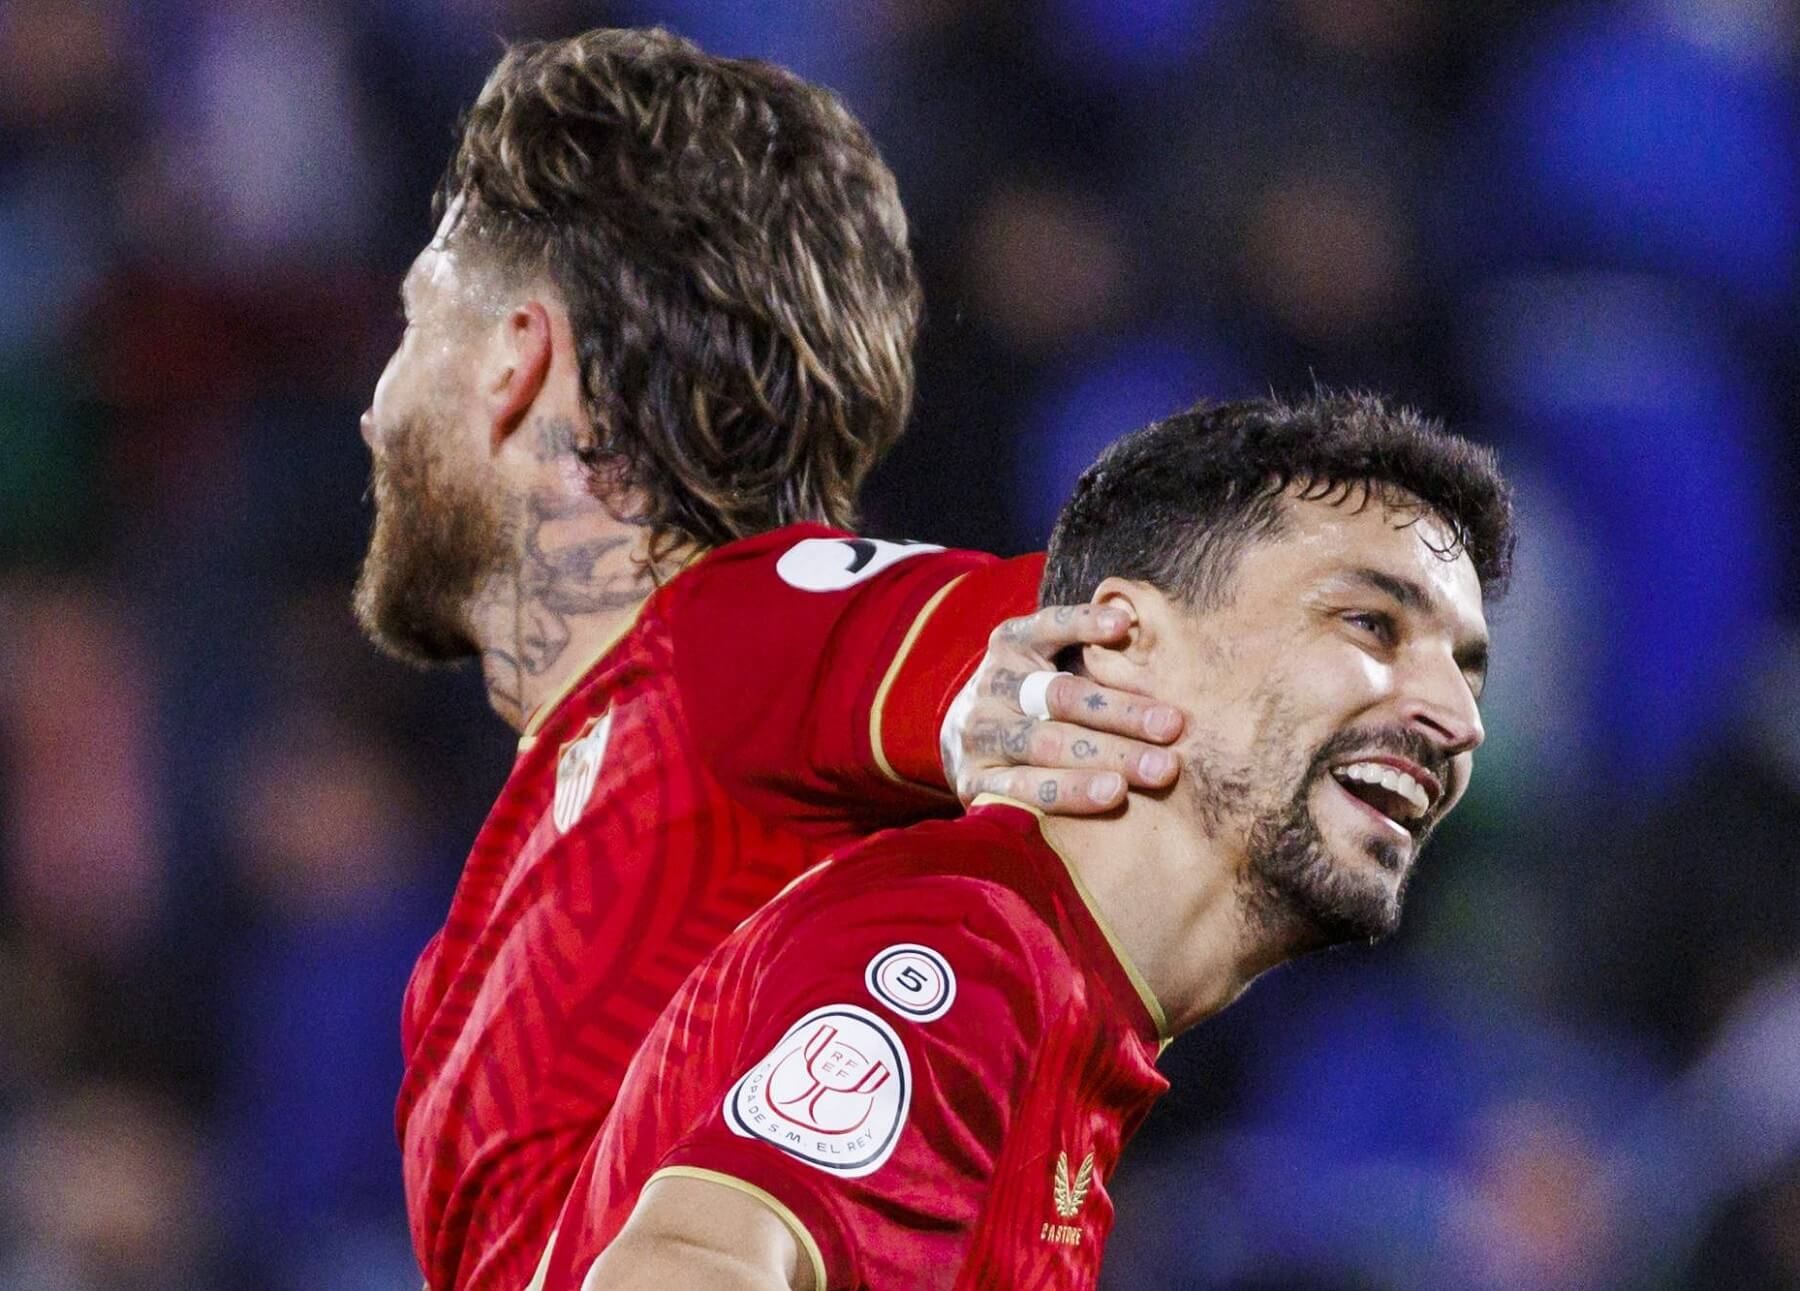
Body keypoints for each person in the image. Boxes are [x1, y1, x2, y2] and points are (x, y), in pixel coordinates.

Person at [352, 28, 1180, 1291]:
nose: (372, 408)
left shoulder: (733, 638)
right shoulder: (526, 871)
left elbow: (1099, 634)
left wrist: (1037, 682)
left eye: (414, 325)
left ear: (517, 358)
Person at [528, 392, 1516, 1291]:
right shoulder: (970, 953)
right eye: (1371, 623)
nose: (1457, 718)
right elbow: (681, 1266)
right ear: (1127, 643)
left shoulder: (1077, 1023)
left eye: (1467, 671)